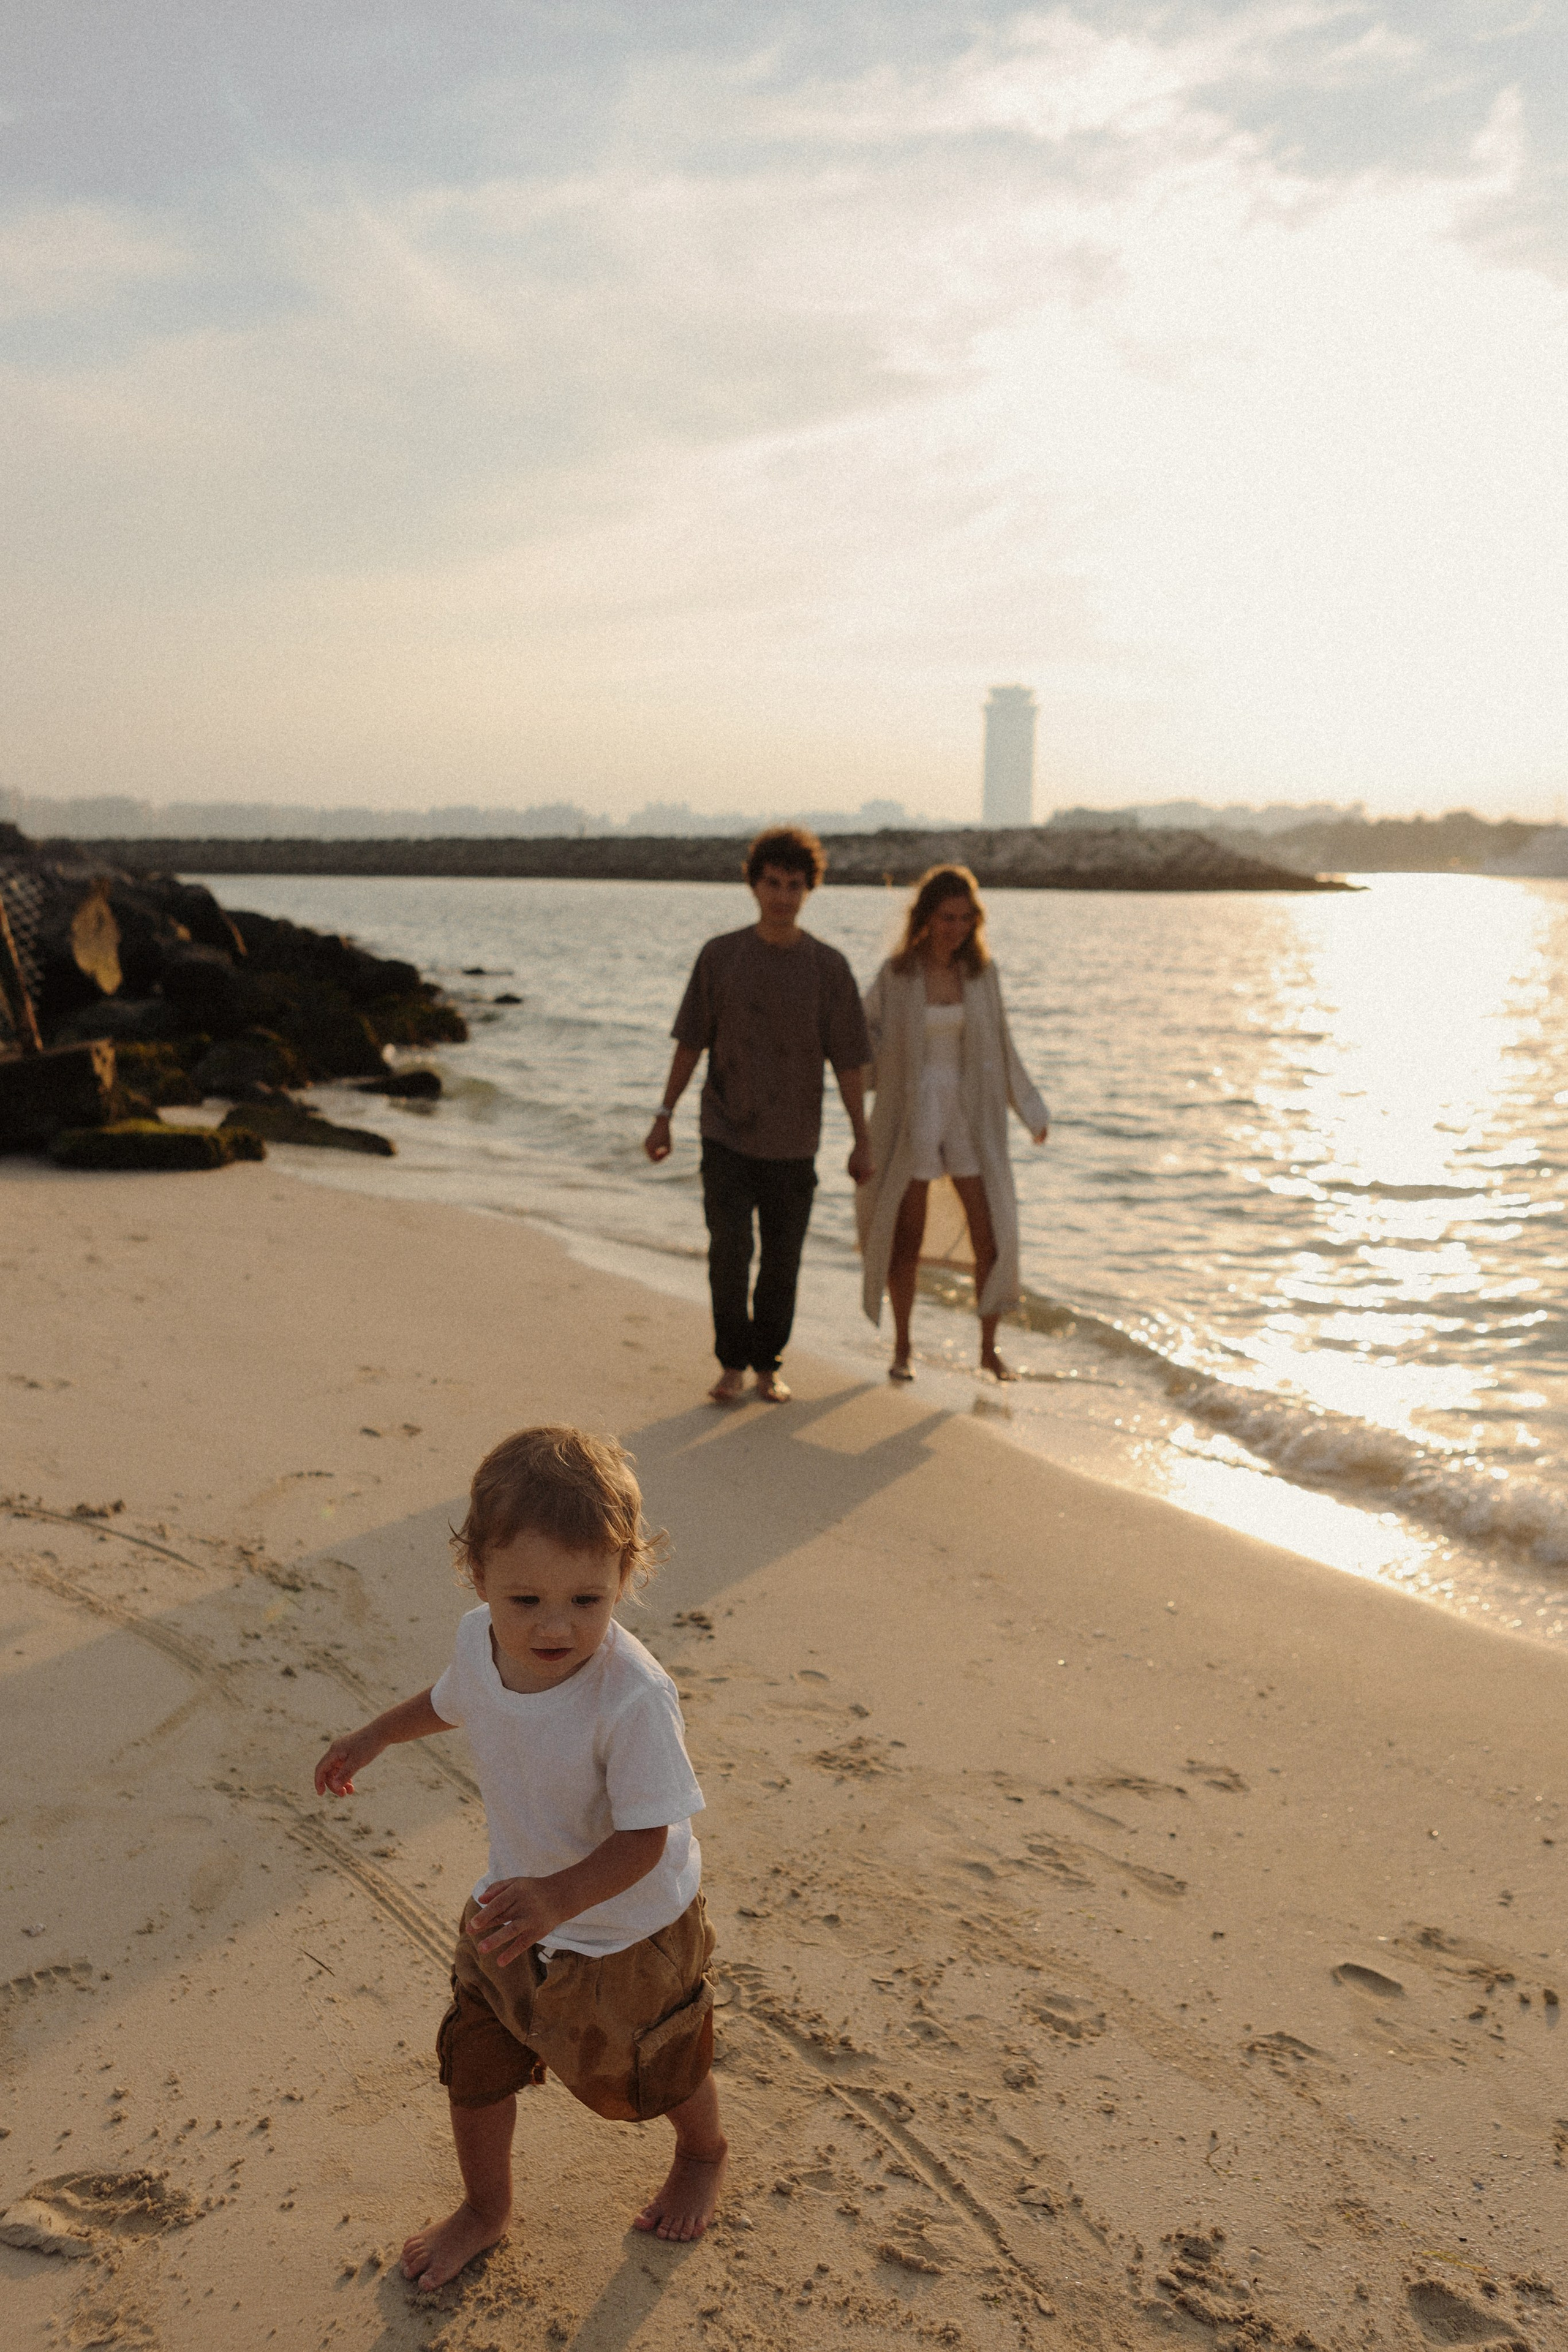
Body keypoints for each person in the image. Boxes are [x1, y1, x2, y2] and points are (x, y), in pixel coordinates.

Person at [312, 1425, 725, 2286]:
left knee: (655, 2065)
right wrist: (375, 1735)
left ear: (624, 1577)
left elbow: (647, 1838)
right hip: (514, 1907)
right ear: (478, 1575)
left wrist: (560, 1897)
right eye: (526, 1599)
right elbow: (452, 1698)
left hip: (627, 1931)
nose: (555, 1625)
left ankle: (701, 2150)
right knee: (475, 2055)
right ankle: (485, 2208)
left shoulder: (633, 1698)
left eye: (587, 1599)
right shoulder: (481, 1640)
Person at [645, 825, 873, 1405]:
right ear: (753, 885)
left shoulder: (828, 967)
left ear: (809, 890)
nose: (783, 896)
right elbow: (690, 1041)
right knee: (728, 1252)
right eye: (773, 883)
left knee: (781, 1261)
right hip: (725, 1131)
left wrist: (862, 1138)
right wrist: (664, 1114)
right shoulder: (721, 956)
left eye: (795, 886)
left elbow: (850, 1062)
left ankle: (768, 1365)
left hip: (794, 1142)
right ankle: (731, 1364)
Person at [856, 865, 1048, 1382]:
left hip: (969, 1115)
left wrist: (1031, 1111)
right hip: (912, 1116)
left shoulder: (983, 974)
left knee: (992, 1235)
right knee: (906, 1240)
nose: (956, 928)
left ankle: (988, 1350)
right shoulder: (897, 974)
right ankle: (903, 1347)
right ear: (926, 917)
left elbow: (1003, 1045)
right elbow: (859, 1029)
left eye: (966, 918)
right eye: (947, 917)